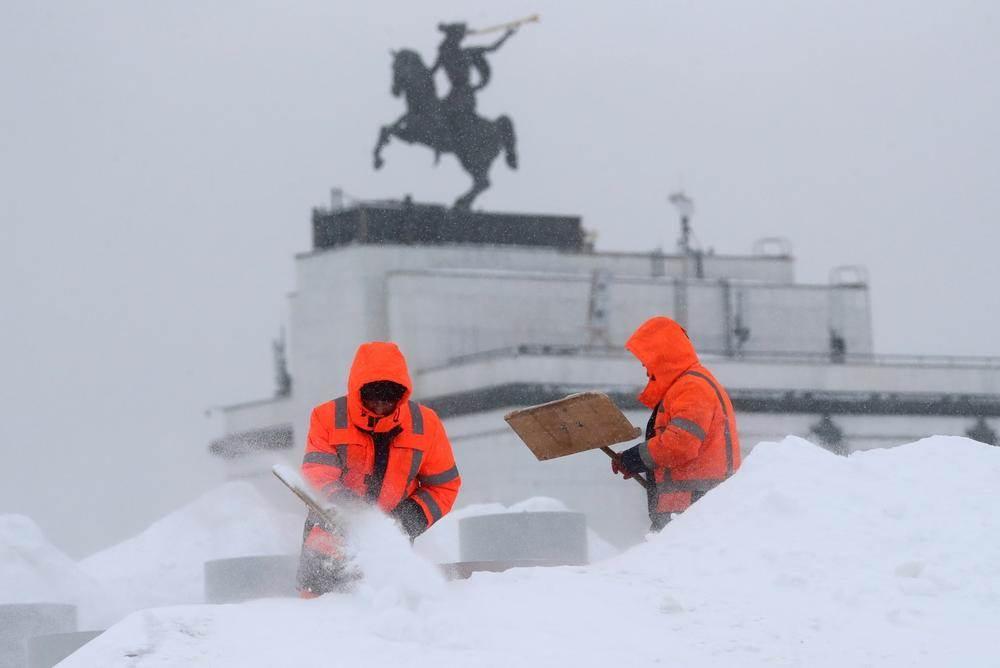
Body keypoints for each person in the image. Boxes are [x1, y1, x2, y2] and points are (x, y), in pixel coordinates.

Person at [296, 341, 461, 596]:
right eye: (373, 399)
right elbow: (317, 471)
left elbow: (444, 485)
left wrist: (407, 519)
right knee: (318, 616)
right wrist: (344, 503)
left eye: (388, 400)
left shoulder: (426, 424)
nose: (381, 407)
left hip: (388, 543)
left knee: (386, 610)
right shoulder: (327, 417)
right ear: (358, 389)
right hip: (328, 535)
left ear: (401, 394)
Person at [612, 317, 741, 531]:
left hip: (695, 510)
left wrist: (634, 458)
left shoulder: (692, 387)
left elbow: (680, 444)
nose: (646, 370)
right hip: (690, 508)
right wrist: (634, 461)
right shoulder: (686, 387)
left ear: (662, 356)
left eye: (647, 362)